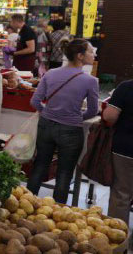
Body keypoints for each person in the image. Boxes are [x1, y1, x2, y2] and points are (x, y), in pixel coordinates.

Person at [27, 39, 99, 204]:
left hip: (46, 126)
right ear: (80, 56)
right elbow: (93, 110)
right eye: (90, 51)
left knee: (39, 166)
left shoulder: (51, 73)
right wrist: (75, 118)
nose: (93, 54)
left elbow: (35, 101)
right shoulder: (90, 81)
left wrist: (48, 113)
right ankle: (58, 211)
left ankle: (26, 203)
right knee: (65, 173)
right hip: (71, 131)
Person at [104, 78, 133, 228]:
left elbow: (109, 116)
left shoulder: (126, 87)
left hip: (126, 149)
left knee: (122, 194)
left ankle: (118, 239)